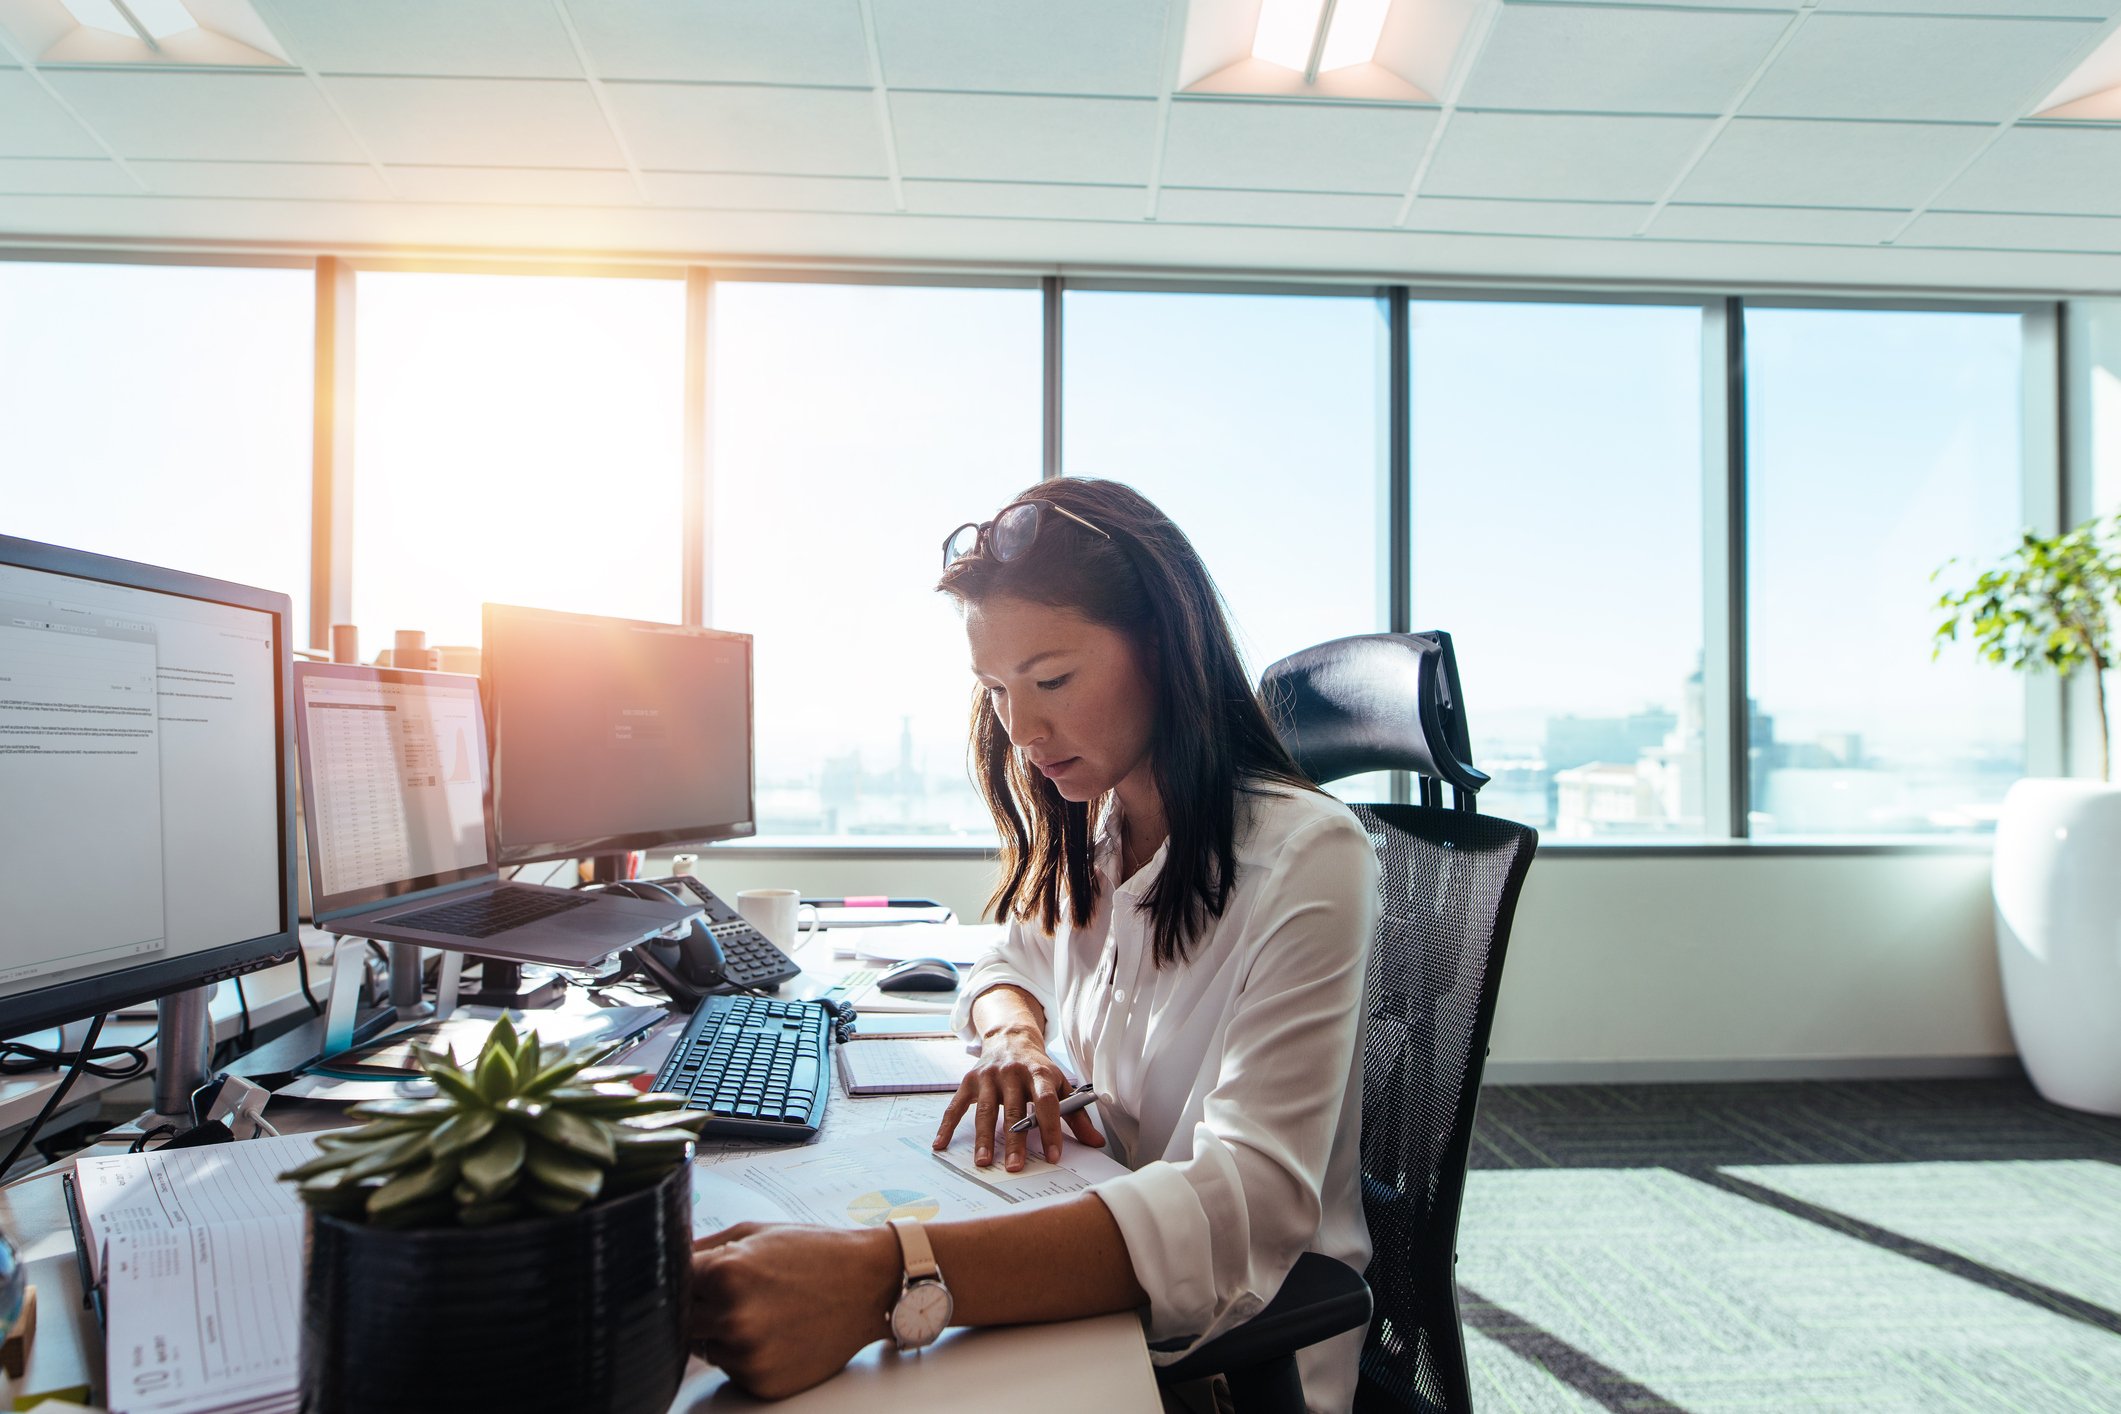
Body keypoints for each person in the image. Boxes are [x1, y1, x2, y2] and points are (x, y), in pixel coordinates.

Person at [689, 479, 1379, 1412]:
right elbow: (1005, 964)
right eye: (997, 692)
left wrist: (879, 1279)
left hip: (1223, 1346)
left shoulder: (1307, 854)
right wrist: (1014, 1038)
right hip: (1093, 1242)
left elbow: (1248, 1200)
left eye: (1051, 680)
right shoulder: (1099, 829)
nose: (1022, 730)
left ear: (1167, 652)